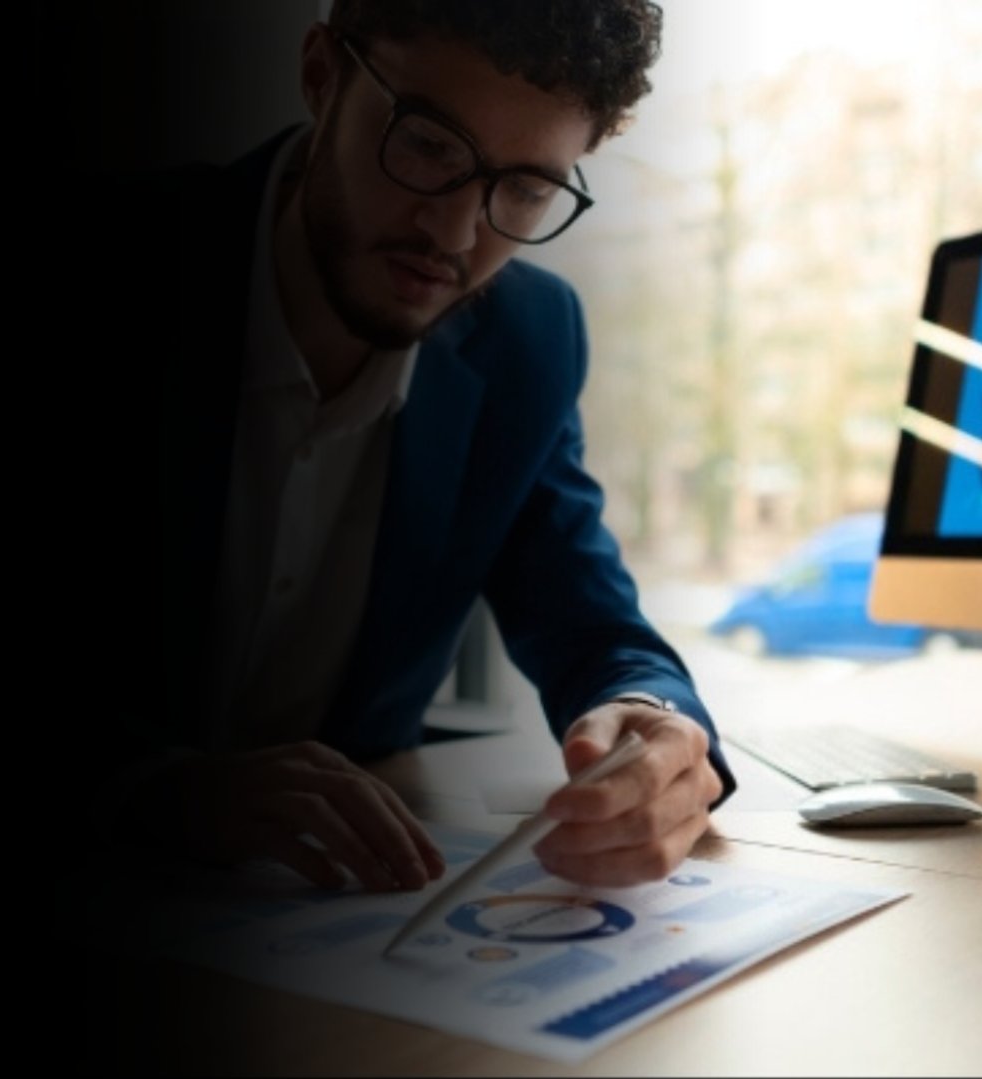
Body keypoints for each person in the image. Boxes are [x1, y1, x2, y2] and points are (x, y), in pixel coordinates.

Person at [44, 0, 737, 897]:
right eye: (428, 146)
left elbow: (591, 625)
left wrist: (655, 722)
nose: (455, 233)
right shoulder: (102, 265)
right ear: (322, 76)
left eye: (526, 189)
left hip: (328, 925)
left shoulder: (526, 341)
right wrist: (149, 790)